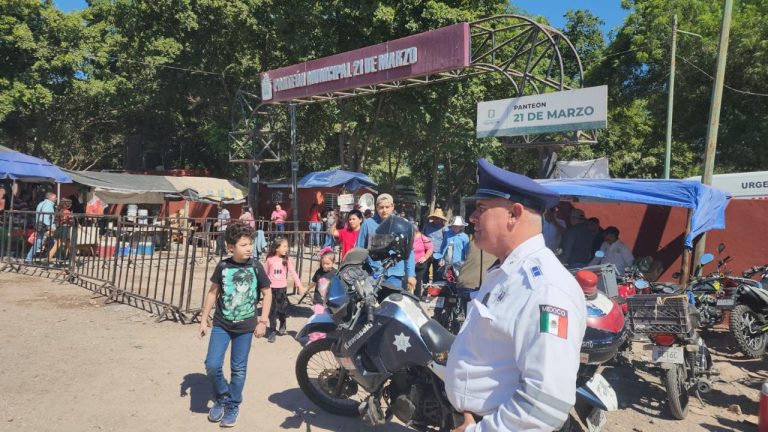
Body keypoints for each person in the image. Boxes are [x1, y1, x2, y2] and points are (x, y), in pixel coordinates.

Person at [445, 159, 586, 432]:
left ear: (514, 213)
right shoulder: (506, 271)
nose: (473, 217)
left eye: (482, 209)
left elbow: (546, 401)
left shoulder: (546, 289)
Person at [198, 221, 272, 427]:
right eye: (244, 244)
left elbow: (267, 293)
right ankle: (221, 396)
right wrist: (204, 320)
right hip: (221, 324)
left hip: (245, 327)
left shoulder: (256, 267)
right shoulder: (223, 266)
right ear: (231, 247)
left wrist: (263, 321)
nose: (249, 248)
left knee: (238, 369)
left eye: (250, 244)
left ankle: (232, 403)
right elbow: (213, 293)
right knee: (212, 365)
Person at [355, 193, 416, 291]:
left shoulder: (402, 224)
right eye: (381, 207)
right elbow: (359, 249)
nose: (384, 210)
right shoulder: (367, 224)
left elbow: (409, 251)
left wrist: (411, 274)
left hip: (395, 275)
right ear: (376, 207)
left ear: (392, 207)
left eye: (387, 207)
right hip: (373, 274)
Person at [264, 237, 305, 343]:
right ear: (277, 248)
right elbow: (265, 274)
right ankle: (272, 330)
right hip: (270, 289)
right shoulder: (269, 259)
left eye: (287, 246)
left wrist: (299, 285)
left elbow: (293, 272)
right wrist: (262, 287)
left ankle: (283, 323)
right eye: (284, 246)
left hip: (282, 289)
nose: (287, 248)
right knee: (272, 311)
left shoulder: (286, 259)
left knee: (282, 309)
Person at [25, 191, 56, 263]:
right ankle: (29, 258)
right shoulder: (49, 205)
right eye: (55, 197)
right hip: (45, 226)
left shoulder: (41, 203)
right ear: (50, 197)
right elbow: (46, 216)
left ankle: (48, 257)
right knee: (41, 242)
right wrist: (49, 226)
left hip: (39, 225)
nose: (56, 198)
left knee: (48, 241)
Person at [423, 208, 447, 283]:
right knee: (425, 271)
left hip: (438, 253)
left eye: (439, 218)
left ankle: (435, 288)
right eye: (435, 218)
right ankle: (425, 287)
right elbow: (422, 236)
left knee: (437, 272)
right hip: (426, 252)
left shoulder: (444, 229)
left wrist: (443, 255)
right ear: (433, 218)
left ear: (441, 219)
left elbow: (445, 241)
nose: (437, 220)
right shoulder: (427, 226)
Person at [310, 249, 337, 315]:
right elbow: (314, 282)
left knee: (328, 317)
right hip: (318, 299)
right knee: (319, 315)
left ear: (333, 262)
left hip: (330, 301)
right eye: (323, 263)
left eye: (327, 264)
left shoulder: (335, 273)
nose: (325, 266)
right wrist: (307, 289)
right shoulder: (319, 272)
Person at [412, 225, 433, 297]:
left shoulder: (422, 237)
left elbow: (430, 248)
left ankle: (417, 298)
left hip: (419, 263)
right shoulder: (407, 236)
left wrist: (425, 257)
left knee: (418, 282)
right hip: (408, 263)